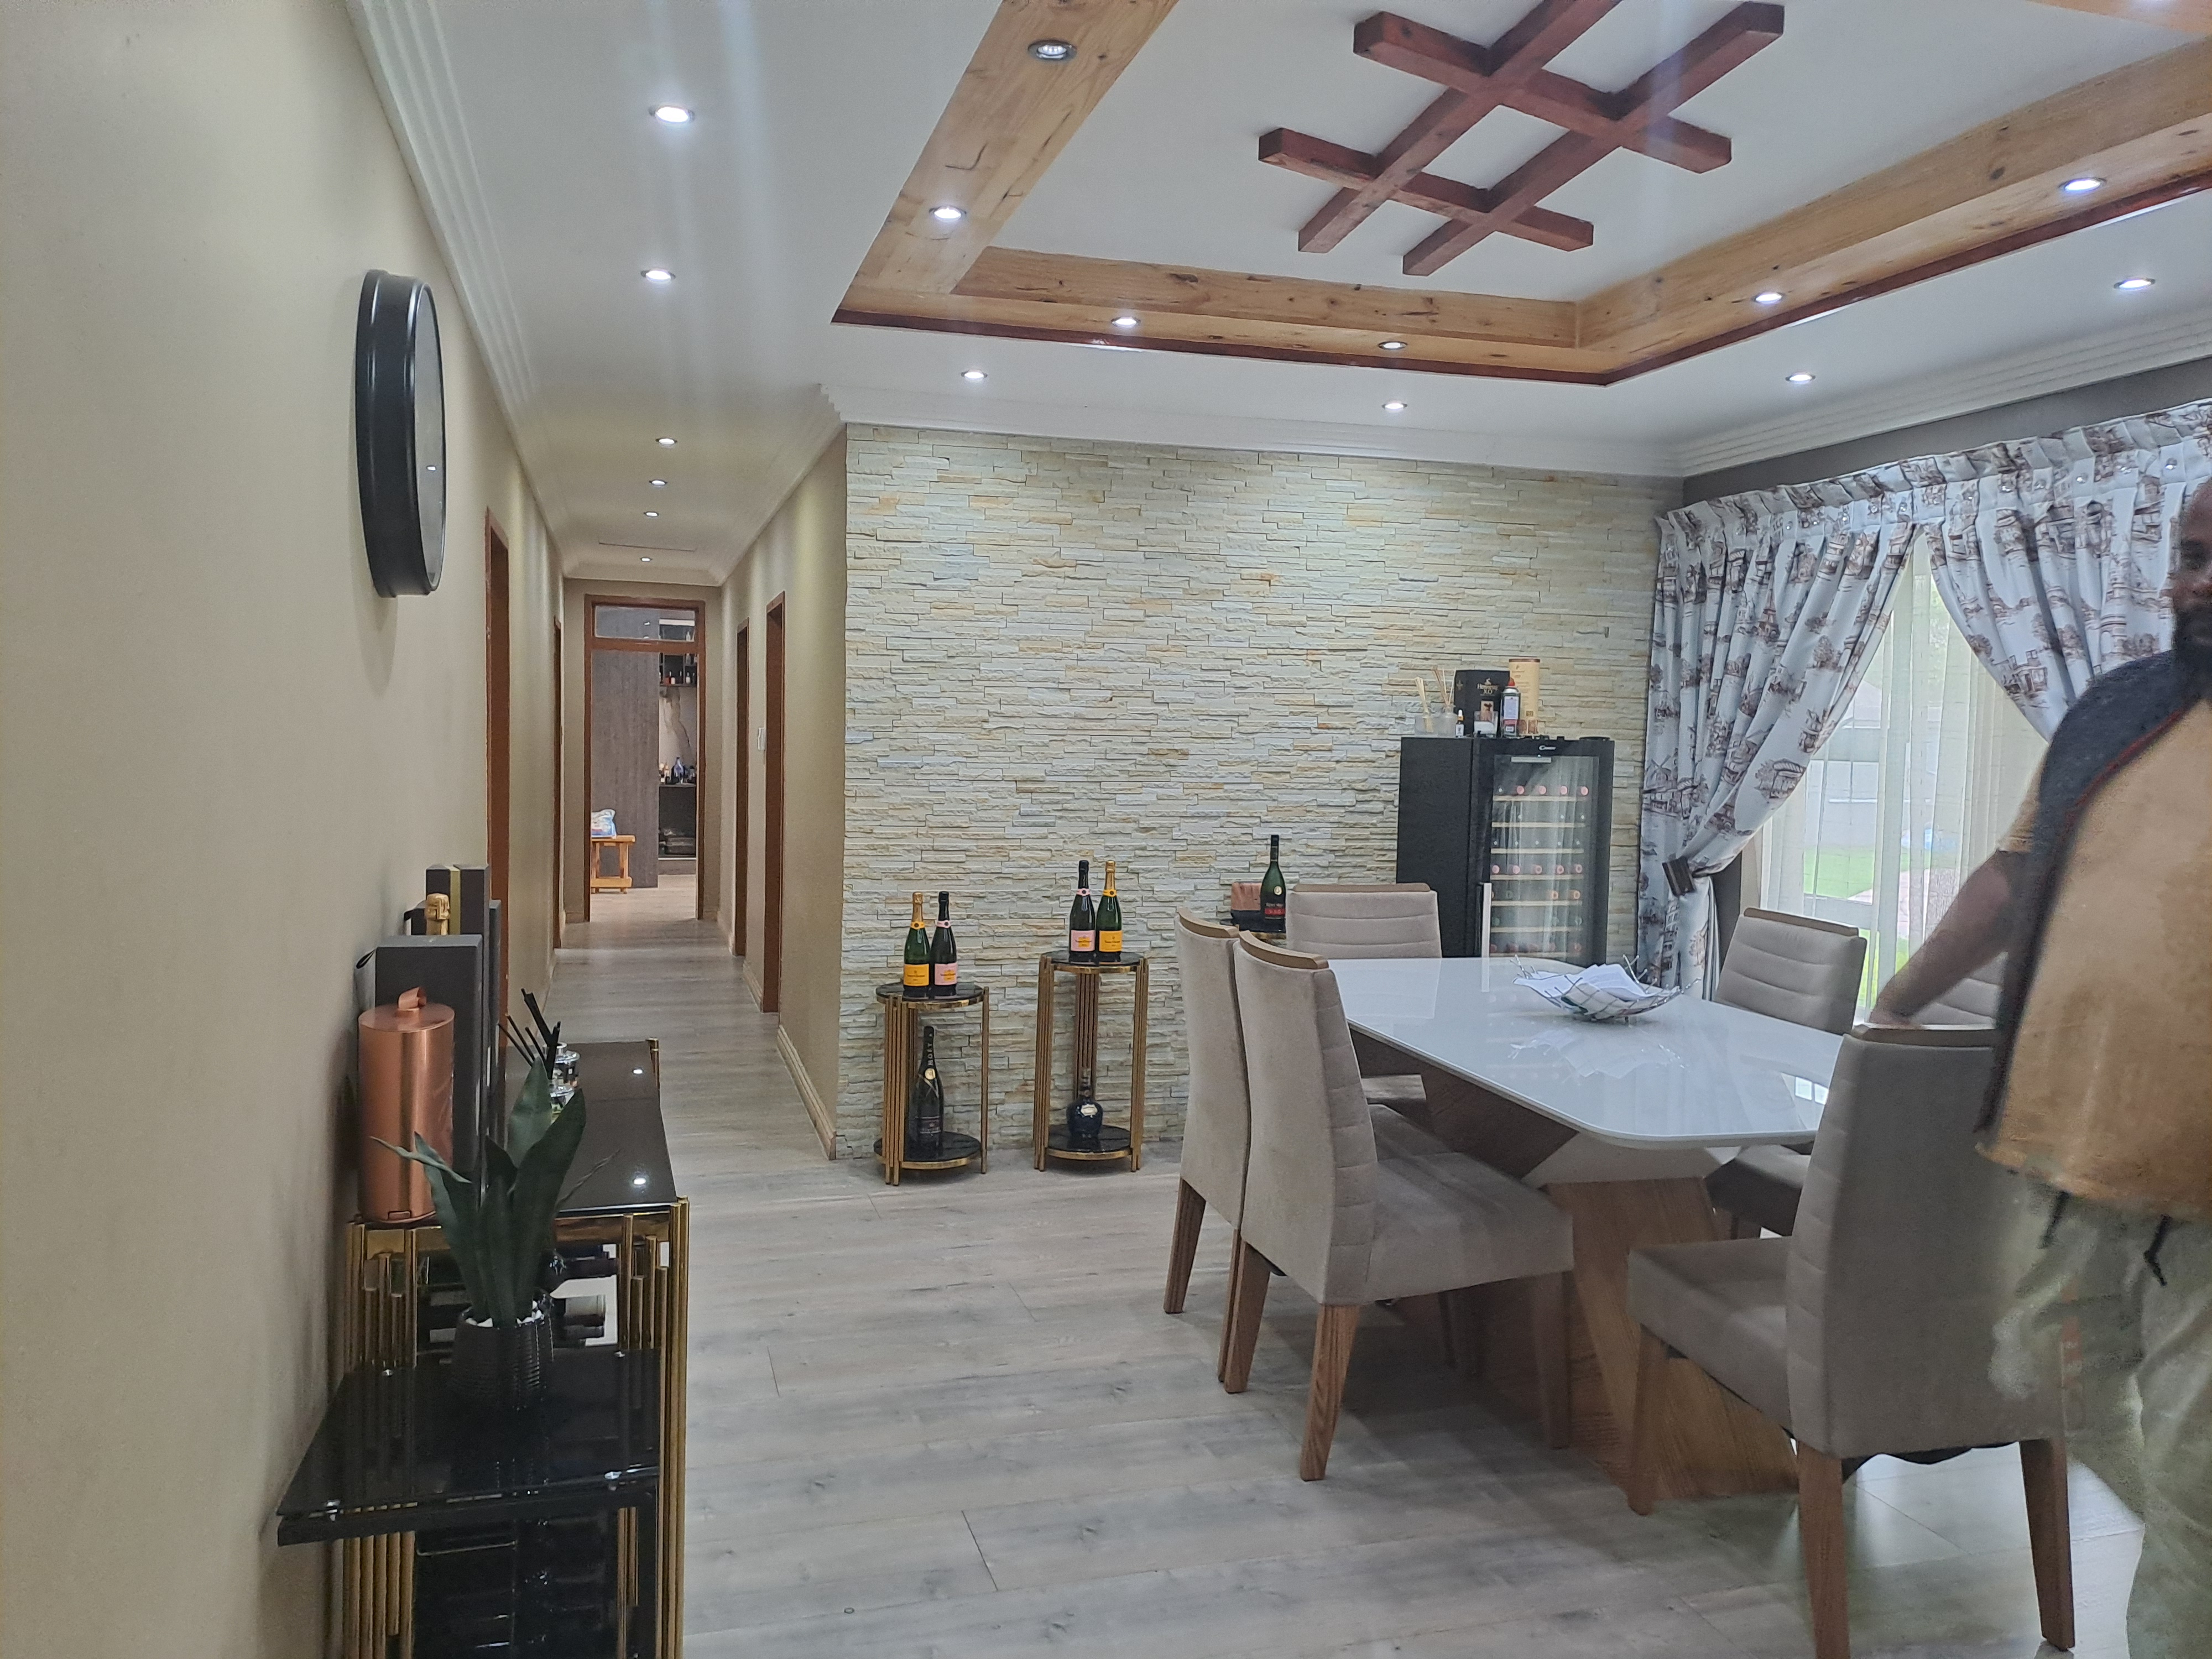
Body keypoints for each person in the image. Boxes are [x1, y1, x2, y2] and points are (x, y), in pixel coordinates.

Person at [1869, 483, 2210, 1658]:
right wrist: (1893, 1004)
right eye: (2189, 554)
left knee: (2197, 1478)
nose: (2193, 583)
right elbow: (2012, 878)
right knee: (2044, 1377)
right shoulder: (2118, 712)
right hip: (2063, 1154)